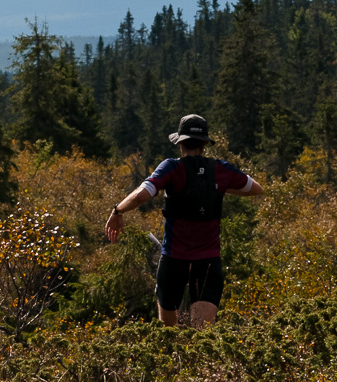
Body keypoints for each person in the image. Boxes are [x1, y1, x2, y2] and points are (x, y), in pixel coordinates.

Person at [104, 112, 264, 327]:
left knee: (167, 333)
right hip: (208, 261)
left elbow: (142, 194)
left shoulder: (171, 168)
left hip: (173, 260)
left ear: (180, 143)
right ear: (205, 143)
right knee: (202, 334)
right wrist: (220, 188)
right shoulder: (221, 169)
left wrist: (117, 211)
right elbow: (256, 189)